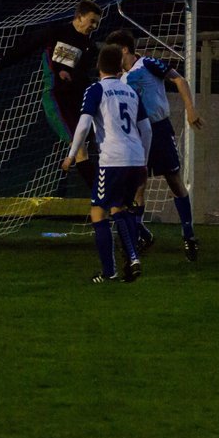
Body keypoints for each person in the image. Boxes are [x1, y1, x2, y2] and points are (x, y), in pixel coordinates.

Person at [105, 29, 205, 261]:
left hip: (159, 129)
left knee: (174, 180)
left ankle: (188, 235)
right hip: (136, 134)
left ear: (124, 49)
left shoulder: (148, 63)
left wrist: (190, 108)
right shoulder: (119, 78)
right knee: (139, 184)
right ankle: (141, 234)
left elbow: (178, 79)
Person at [0, 0, 102, 187]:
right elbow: (26, 47)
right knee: (80, 151)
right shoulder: (56, 32)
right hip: (57, 99)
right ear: (79, 17)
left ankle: (102, 199)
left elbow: (81, 75)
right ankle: (106, 201)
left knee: (90, 151)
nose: (94, 26)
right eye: (92, 21)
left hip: (78, 101)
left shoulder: (89, 46)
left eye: (97, 23)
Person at [62, 43, 153, 283]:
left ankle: (110, 271)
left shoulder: (96, 89)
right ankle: (132, 258)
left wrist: (71, 155)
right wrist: (143, 160)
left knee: (97, 211)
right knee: (119, 208)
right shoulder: (131, 92)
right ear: (118, 66)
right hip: (135, 158)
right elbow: (146, 129)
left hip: (113, 159)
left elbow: (83, 125)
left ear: (98, 66)